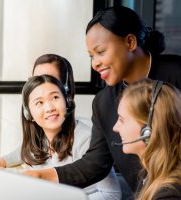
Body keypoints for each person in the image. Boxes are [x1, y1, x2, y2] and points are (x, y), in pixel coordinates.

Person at [23, 6, 181, 196]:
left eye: (100, 51)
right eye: (91, 56)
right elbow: (96, 163)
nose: (95, 63)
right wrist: (42, 176)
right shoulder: (104, 102)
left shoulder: (176, 74)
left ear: (130, 42)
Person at [0, 54, 121, 199]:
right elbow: (25, 151)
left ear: (66, 96)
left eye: (54, 95)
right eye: (35, 81)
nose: (42, 86)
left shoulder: (86, 139)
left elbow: (112, 194)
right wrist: (0, 162)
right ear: (28, 111)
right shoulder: (40, 137)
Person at [113, 78, 181, 199]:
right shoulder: (152, 172)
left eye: (122, 120)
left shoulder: (169, 195)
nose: (115, 128)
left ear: (148, 130)